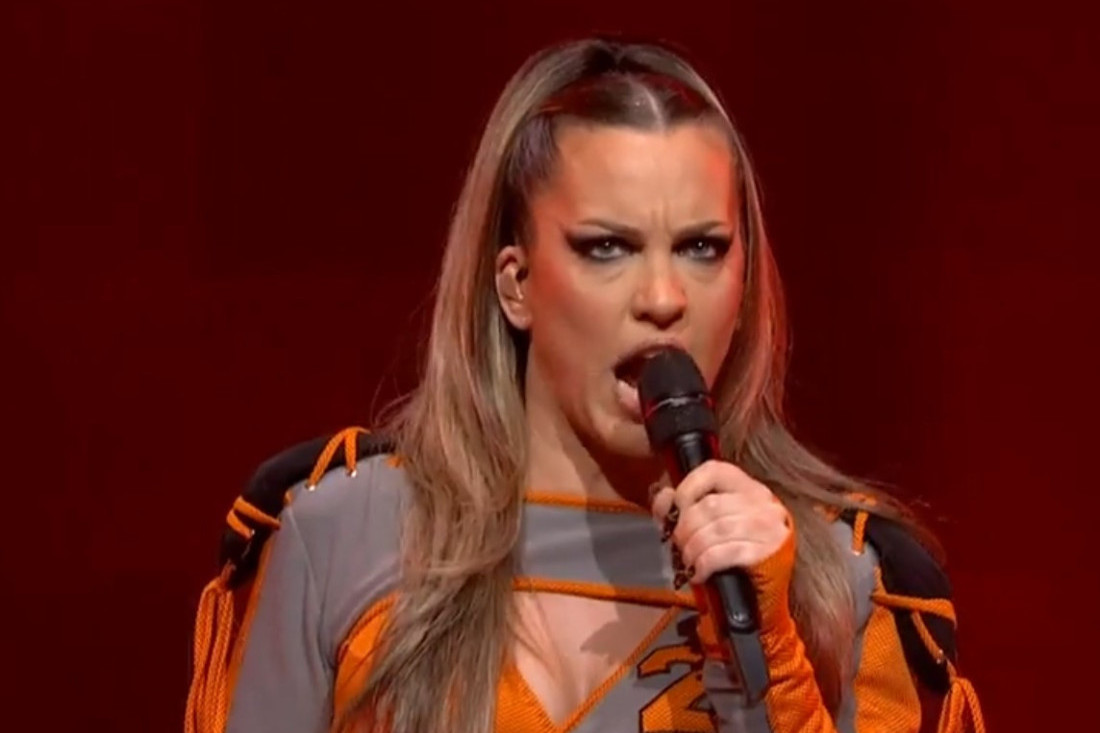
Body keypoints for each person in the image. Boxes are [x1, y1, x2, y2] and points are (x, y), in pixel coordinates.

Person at [185, 36, 985, 733]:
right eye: (607, 247)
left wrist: (771, 656)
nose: (663, 297)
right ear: (515, 282)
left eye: (703, 248)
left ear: (746, 283)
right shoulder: (344, 534)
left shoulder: (839, 580)